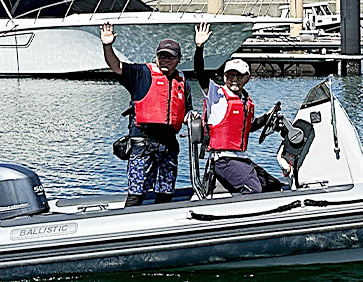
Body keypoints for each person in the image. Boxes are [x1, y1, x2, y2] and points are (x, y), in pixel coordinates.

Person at [101, 22, 192, 207]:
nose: (165, 60)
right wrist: (107, 46)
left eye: (170, 57)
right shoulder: (141, 74)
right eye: (162, 56)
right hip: (143, 144)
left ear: (178, 59)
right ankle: (127, 221)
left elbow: (185, 112)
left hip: (168, 146)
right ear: (156, 57)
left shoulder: (182, 82)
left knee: (165, 193)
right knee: (137, 193)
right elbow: (116, 66)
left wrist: (192, 117)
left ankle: (162, 221)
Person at [193, 22, 282, 194]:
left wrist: (267, 117)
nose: (234, 79)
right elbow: (199, 73)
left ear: (247, 77)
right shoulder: (216, 94)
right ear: (224, 76)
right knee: (253, 189)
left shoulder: (245, 101)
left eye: (239, 75)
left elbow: (249, 127)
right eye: (230, 75)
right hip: (224, 160)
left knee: (274, 186)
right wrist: (199, 47)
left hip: (241, 158)